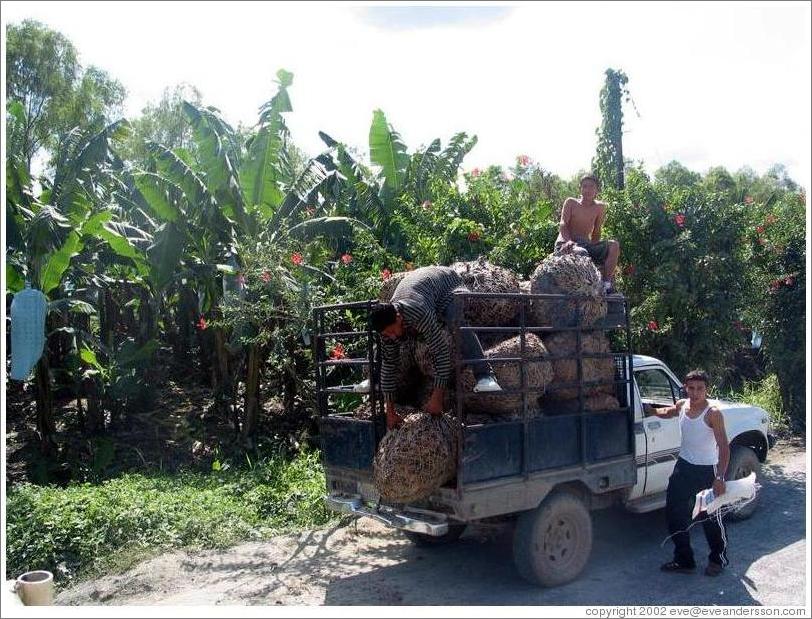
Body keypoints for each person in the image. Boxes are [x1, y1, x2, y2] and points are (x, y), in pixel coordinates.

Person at [368, 266, 502, 430]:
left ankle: (484, 375)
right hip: (423, 290)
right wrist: (390, 412)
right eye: (387, 334)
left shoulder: (417, 312)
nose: (392, 336)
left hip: (448, 286)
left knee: (455, 322)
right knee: (386, 350)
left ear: (398, 317)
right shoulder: (388, 327)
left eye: (391, 331)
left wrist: (437, 398)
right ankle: (373, 379)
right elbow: (389, 366)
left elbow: (441, 352)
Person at [652, 370, 731, 576]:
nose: (695, 393)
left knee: (709, 517)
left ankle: (717, 559)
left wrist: (720, 477)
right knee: (674, 513)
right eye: (691, 388)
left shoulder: (713, 413)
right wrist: (648, 409)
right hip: (684, 467)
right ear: (686, 388)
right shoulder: (682, 405)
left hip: (707, 471)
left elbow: (724, 446)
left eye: (700, 389)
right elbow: (666, 412)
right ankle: (684, 559)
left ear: (706, 390)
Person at [554, 174, 620, 293]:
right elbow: (563, 224)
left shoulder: (600, 207)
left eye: (591, 186)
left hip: (586, 244)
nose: (588, 190)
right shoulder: (571, 203)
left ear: (597, 190)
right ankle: (583, 289)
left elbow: (597, 231)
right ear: (580, 188)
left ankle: (606, 285)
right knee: (581, 252)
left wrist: (595, 249)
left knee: (614, 245)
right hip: (566, 243)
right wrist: (569, 241)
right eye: (584, 186)